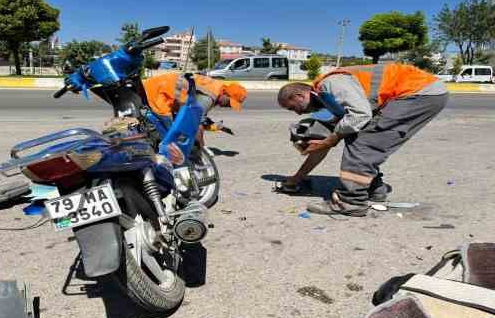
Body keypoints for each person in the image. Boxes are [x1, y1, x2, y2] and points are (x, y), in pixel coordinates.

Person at [277, 63, 448, 217]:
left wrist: (334, 137)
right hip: (419, 92)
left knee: (363, 142)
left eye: (293, 108)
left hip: (418, 92)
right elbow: (324, 146)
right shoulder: (327, 101)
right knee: (356, 135)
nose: (298, 113)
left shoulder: (330, 85)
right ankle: (375, 189)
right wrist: (298, 176)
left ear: (299, 95)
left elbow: (360, 115)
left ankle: (351, 202)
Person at [143, 73, 247, 164]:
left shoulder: (217, 87)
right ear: (225, 93)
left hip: (159, 86)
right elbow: (197, 126)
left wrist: (213, 126)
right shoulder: (208, 98)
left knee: (176, 126)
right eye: (229, 102)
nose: (228, 106)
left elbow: (199, 116)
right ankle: (160, 162)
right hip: (160, 92)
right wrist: (200, 151)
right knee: (170, 132)